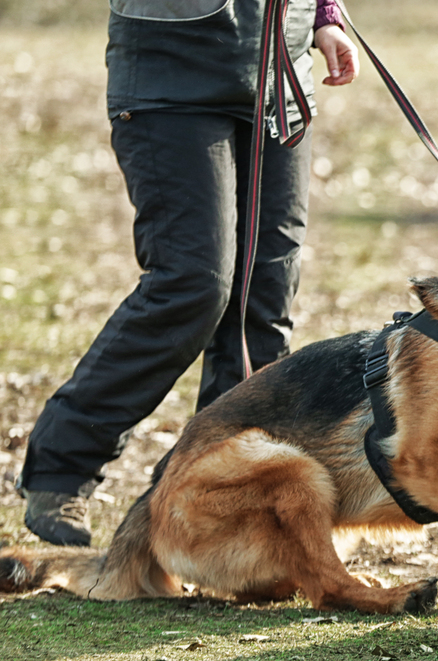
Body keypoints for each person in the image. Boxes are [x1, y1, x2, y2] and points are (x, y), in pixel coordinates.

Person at [17, 0, 360, 547]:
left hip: (279, 72)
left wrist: (322, 15)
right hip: (172, 71)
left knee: (263, 298)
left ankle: (220, 501)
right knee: (194, 284)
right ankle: (61, 467)